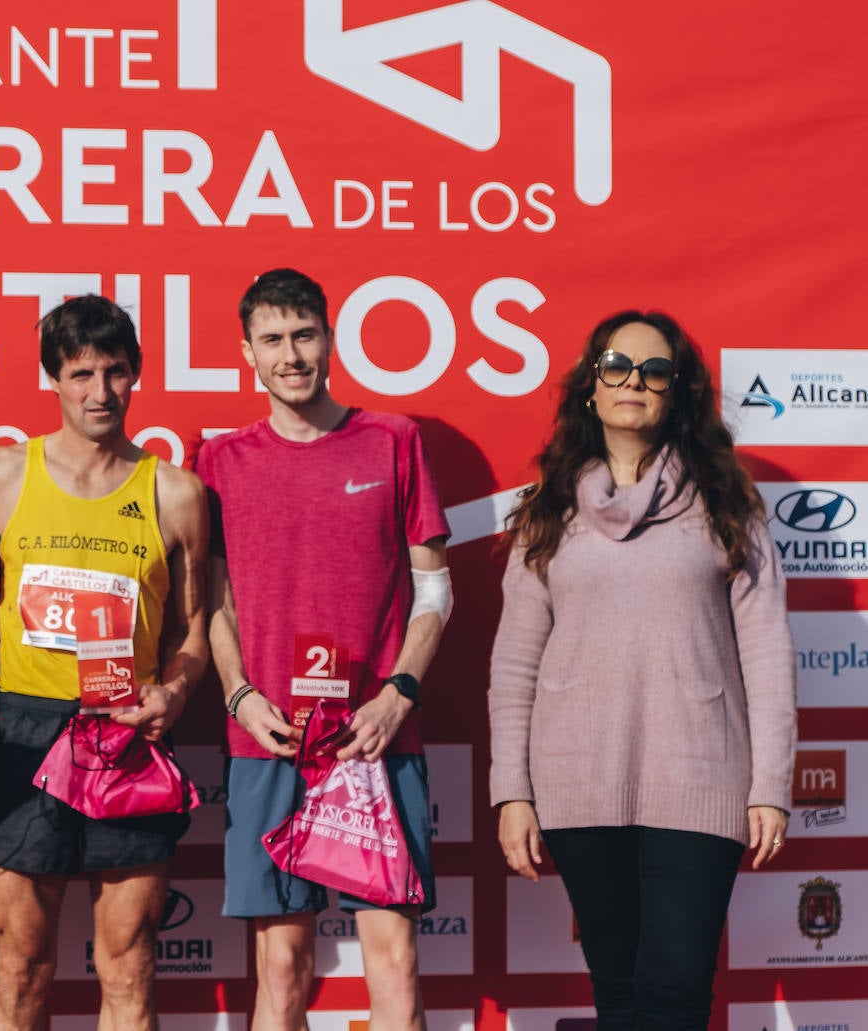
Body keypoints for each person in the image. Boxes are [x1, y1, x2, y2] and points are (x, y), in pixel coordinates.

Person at [489, 311, 797, 1029]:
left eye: (655, 370)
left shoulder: (729, 506)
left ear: (678, 392)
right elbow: (514, 664)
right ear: (591, 388)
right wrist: (513, 790)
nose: (635, 381)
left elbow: (768, 650)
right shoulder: (546, 514)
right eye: (617, 366)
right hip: (578, 782)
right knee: (618, 993)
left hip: (699, 775)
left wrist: (771, 784)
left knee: (676, 995)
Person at [196, 268, 452, 1031]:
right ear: (247, 352)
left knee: (397, 962)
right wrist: (239, 691)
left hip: (377, 739)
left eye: (303, 334)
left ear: (330, 340)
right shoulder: (218, 460)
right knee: (281, 970)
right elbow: (214, 602)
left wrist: (398, 691)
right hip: (267, 741)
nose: (291, 354)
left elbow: (435, 591)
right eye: (272, 339)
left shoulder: (393, 441)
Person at [0, 294, 209, 1031]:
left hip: (127, 733)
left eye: (114, 372)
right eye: (79, 374)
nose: (99, 392)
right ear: (52, 379)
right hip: (24, 729)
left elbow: (195, 633)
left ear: (136, 374)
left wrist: (173, 691)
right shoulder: (1, 476)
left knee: (129, 962)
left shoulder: (175, 491)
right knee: (21, 965)